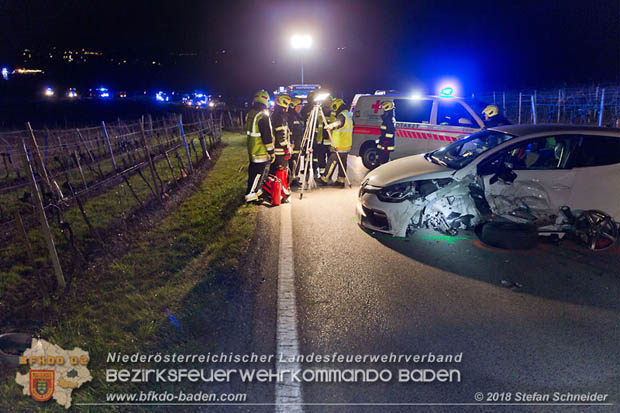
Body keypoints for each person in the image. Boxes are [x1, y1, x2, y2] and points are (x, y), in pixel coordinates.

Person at [245, 89, 275, 202]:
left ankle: (256, 190)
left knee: (253, 171)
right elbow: (267, 138)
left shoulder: (251, 114)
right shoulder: (263, 116)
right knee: (258, 173)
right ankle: (250, 195)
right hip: (260, 151)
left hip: (252, 148)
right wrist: (271, 152)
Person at [319, 98, 352, 187]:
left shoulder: (342, 115)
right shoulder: (348, 114)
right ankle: (340, 180)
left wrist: (331, 126)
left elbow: (339, 123)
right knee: (342, 163)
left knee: (332, 161)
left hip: (340, 144)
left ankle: (324, 178)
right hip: (346, 144)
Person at [269, 93, 292, 198]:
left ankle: (280, 192)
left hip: (278, 149)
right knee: (281, 170)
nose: (288, 106)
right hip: (280, 150)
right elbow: (281, 135)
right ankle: (281, 193)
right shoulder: (280, 116)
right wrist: (286, 148)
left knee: (279, 170)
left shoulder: (276, 115)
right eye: (287, 104)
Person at [287, 97, 304, 183]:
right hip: (294, 143)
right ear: (293, 106)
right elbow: (289, 131)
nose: (300, 108)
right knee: (293, 160)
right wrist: (292, 142)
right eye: (298, 106)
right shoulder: (291, 116)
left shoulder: (299, 116)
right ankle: (292, 178)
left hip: (298, 142)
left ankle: (295, 177)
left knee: (297, 160)